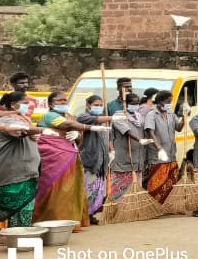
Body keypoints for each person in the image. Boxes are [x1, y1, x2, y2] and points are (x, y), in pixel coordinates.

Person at [35, 91, 105, 228]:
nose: (63, 103)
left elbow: (78, 136)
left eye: (65, 101)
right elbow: (67, 126)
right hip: (53, 159)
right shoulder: (49, 116)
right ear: (50, 104)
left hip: (71, 155)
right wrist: (88, 127)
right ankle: (53, 221)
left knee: (72, 189)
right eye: (59, 101)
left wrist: (77, 135)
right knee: (57, 190)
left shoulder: (70, 116)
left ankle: (71, 221)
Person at [0, 92, 44, 243]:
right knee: (11, 202)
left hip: (27, 170)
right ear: (14, 105)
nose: (29, 105)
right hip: (13, 170)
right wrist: (43, 130)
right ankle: (8, 235)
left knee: (25, 205)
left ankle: (19, 235)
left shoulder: (23, 119)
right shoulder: (7, 120)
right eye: (26, 102)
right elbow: (22, 131)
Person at [76, 95, 116, 223]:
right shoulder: (83, 117)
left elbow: (108, 136)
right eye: (96, 105)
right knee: (88, 188)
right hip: (90, 159)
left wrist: (111, 149)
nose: (99, 107)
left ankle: (91, 214)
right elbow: (93, 120)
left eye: (100, 105)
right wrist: (111, 117)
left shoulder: (104, 120)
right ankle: (83, 215)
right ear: (88, 105)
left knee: (98, 190)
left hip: (102, 159)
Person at [143, 90, 185, 205]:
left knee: (170, 182)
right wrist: (159, 148)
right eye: (168, 101)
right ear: (160, 102)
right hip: (157, 156)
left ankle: (168, 206)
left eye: (170, 101)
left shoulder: (171, 114)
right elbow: (151, 133)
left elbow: (179, 128)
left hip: (171, 154)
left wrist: (185, 117)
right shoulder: (152, 115)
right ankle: (155, 206)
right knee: (157, 183)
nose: (170, 103)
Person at [108, 93, 148, 202]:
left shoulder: (139, 116)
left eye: (136, 103)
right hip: (124, 155)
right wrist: (139, 139)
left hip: (137, 156)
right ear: (125, 104)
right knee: (121, 185)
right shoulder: (118, 116)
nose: (134, 105)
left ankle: (133, 208)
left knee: (136, 183)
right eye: (132, 103)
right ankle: (119, 207)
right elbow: (127, 131)